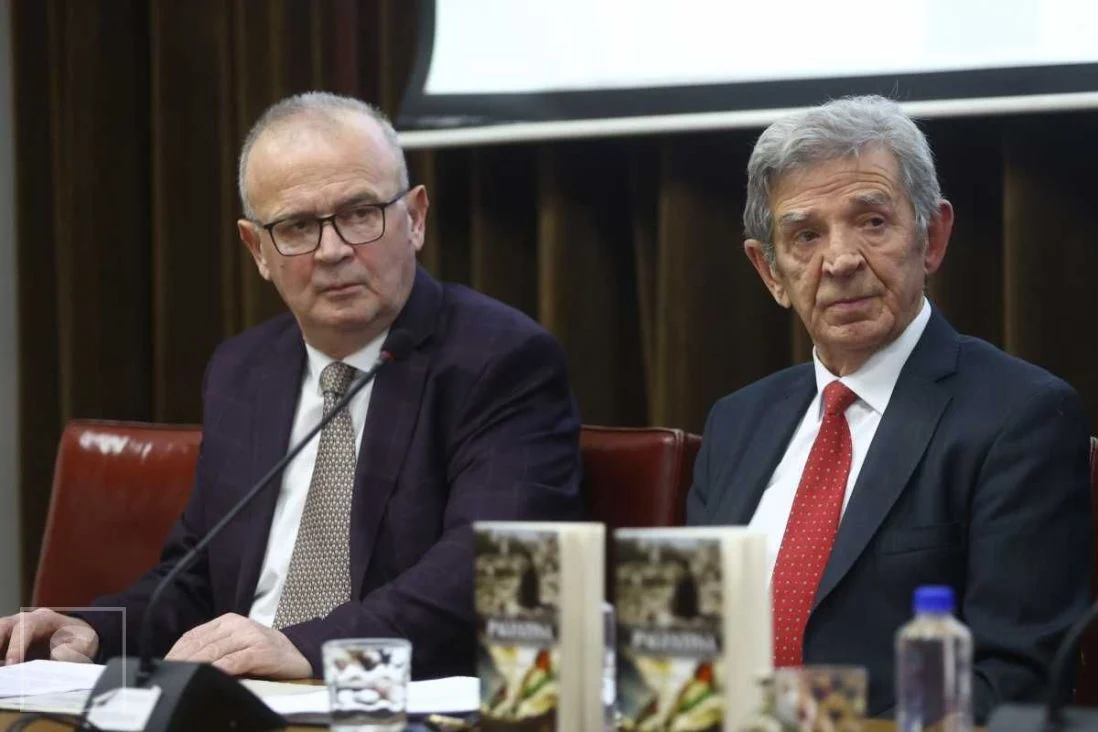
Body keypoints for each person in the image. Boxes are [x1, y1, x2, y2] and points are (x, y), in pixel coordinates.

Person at [0, 91, 585, 680]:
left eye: (361, 213)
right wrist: (96, 631)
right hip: (240, 699)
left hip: (382, 698)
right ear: (257, 249)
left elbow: (490, 570)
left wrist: (308, 649)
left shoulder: (500, 360)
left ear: (415, 218)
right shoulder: (243, 371)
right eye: (298, 226)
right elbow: (196, 580)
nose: (333, 251)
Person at [686, 95, 1092, 721]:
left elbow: (1015, 682)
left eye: (872, 222)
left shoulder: (1020, 417)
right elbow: (688, 647)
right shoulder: (737, 423)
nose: (841, 260)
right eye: (805, 236)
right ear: (769, 271)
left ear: (932, 238)